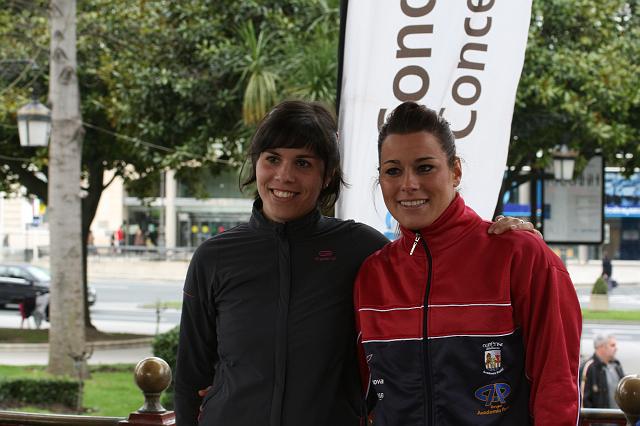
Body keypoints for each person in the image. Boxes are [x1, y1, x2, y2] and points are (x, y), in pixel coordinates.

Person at [174, 100, 537, 426]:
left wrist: (508, 233)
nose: (284, 176)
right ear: (256, 164)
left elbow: (432, 263)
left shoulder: (361, 249)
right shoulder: (215, 256)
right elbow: (191, 377)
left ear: (328, 175)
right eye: (272, 158)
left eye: (303, 163)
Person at [354, 102, 582, 425]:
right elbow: (363, 398)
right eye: (393, 171)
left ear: (455, 171)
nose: (408, 184)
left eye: (424, 167)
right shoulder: (371, 276)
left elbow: (557, 388)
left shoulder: (520, 256)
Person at [580, 334, 625, 409]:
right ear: (601, 347)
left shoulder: (617, 365)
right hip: (599, 419)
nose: (616, 348)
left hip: (618, 419)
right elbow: (583, 400)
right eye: (612, 345)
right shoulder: (589, 367)